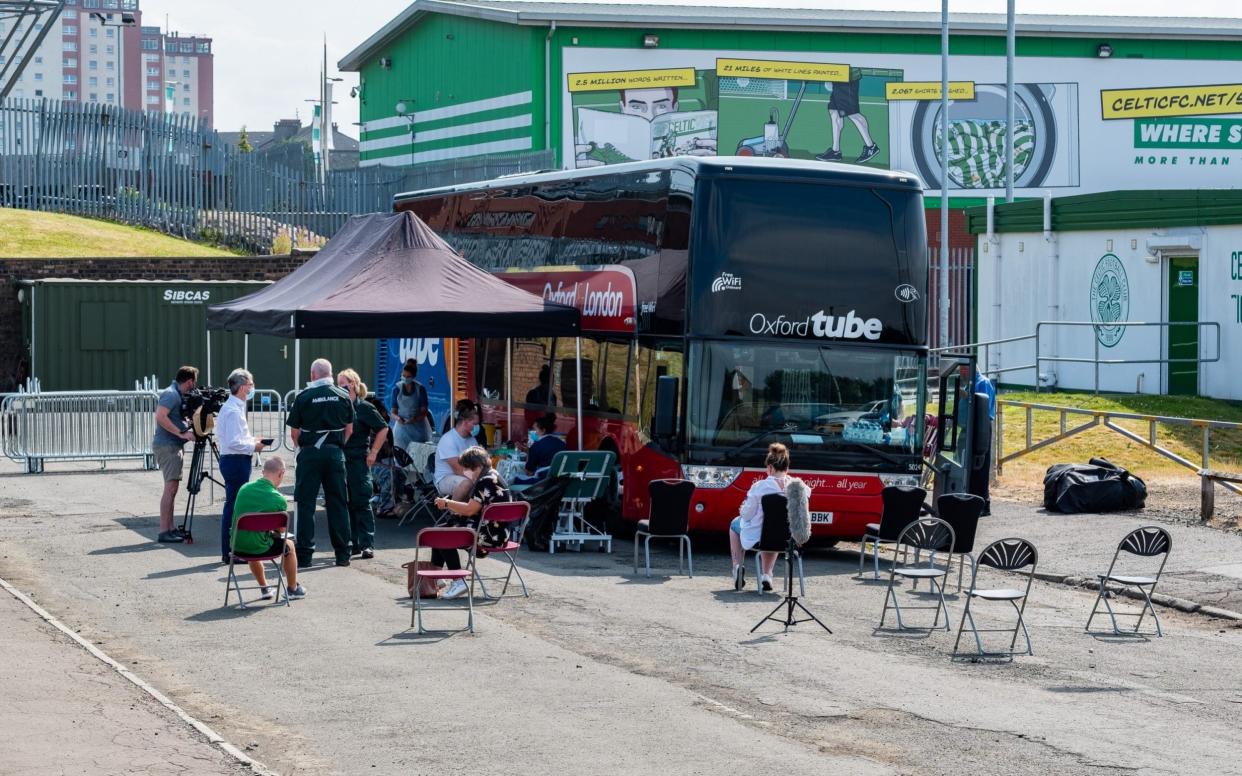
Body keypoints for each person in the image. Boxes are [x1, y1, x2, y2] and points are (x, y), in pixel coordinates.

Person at [287, 358, 355, 568]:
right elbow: (349, 429)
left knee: (306, 504)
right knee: (338, 503)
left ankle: (305, 555)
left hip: (309, 455)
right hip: (335, 454)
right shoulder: (344, 396)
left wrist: (305, 449)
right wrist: (336, 447)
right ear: (331, 374)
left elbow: (294, 433)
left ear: (312, 374)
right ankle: (343, 553)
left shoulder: (304, 396)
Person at [431, 446, 512, 599]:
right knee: (438, 531)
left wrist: (447, 503)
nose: (465, 472)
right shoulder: (494, 475)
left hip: (488, 536)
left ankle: (458, 580)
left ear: (476, 466)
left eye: (467, 468)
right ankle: (436, 577)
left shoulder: (484, 481)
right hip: (498, 533)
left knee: (443, 537)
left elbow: (470, 510)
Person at [230, 456, 305, 601]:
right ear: (281, 473)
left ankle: (264, 587)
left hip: (236, 545)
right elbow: (281, 530)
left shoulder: (244, 489)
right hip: (260, 547)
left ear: (263, 472)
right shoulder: (278, 499)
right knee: (288, 545)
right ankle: (292, 588)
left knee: (253, 536)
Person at [215, 368, 269, 564]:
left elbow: (237, 438)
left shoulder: (235, 408)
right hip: (235, 460)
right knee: (234, 505)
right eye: (250, 384)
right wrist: (254, 445)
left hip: (236, 459)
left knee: (235, 504)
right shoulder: (232, 410)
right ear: (242, 387)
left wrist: (253, 440)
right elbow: (233, 442)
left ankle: (232, 549)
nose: (252, 388)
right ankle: (230, 550)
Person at [337, 368, 388, 560]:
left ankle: (367, 544)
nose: (341, 387)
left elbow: (383, 428)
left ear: (354, 385)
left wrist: (374, 452)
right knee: (345, 502)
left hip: (358, 459)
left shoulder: (364, 407)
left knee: (361, 501)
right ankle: (353, 543)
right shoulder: (339, 406)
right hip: (341, 459)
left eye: (344, 384)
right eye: (338, 384)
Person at [728, 443, 793, 592]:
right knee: (776, 528)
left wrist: (742, 509)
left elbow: (747, 514)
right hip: (787, 539)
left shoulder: (759, 487)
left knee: (734, 524)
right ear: (787, 468)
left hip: (759, 536)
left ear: (770, 468)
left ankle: (737, 566)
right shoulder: (798, 487)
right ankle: (767, 574)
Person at [151, 365, 198, 543]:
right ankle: (164, 530)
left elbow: (169, 416)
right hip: (168, 446)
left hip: (172, 445)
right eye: (194, 383)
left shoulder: (175, 394)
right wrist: (181, 432)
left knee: (172, 489)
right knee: (170, 488)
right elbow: (160, 416)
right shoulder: (171, 394)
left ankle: (170, 528)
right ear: (189, 381)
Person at [815, 68, 880, 164]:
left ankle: (871, 147)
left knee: (852, 114)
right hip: (838, 76)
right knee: (834, 111)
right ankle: (835, 151)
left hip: (847, 76)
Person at [435, 404, 479, 501]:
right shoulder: (448, 439)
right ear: (465, 422)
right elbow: (458, 470)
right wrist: (478, 478)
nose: (477, 427)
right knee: (467, 484)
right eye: (474, 424)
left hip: (464, 476)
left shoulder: (472, 440)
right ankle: (453, 512)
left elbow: (478, 463)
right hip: (445, 478)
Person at [389, 359, 432, 451]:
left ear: (414, 377)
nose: (405, 378)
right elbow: (393, 412)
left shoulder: (420, 389)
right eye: (403, 376)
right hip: (401, 428)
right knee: (402, 457)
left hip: (419, 428)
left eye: (408, 376)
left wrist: (415, 419)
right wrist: (398, 418)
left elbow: (424, 411)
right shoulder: (396, 389)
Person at [970, 369, 998, 516]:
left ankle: (983, 503)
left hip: (981, 425)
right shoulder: (969, 382)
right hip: (971, 424)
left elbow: (984, 409)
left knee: (981, 464)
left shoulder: (983, 383)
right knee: (971, 467)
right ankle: (974, 499)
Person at [522, 413, 565, 481]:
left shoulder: (537, 446)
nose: (534, 433)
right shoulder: (562, 443)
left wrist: (528, 453)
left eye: (535, 429)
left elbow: (529, 472)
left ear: (543, 430)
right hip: (561, 480)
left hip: (543, 482)